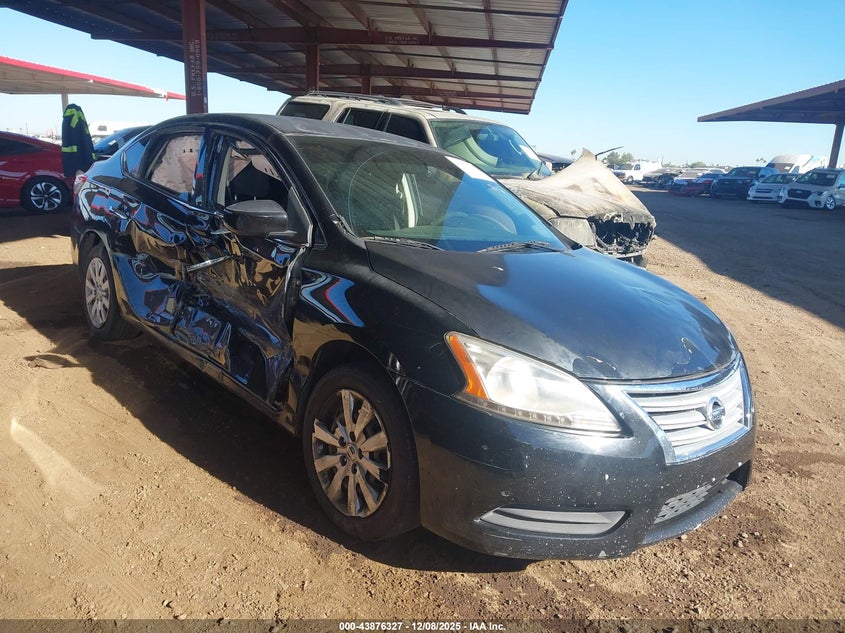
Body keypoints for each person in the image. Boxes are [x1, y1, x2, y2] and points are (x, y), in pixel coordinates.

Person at [61, 103, 96, 178]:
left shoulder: (69, 119)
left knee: (79, 183)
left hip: (74, 161)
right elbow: (84, 140)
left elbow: (74, 140)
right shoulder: (80, 120)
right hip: (82, 160)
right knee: (81, 182)